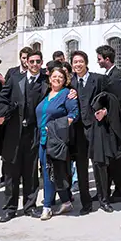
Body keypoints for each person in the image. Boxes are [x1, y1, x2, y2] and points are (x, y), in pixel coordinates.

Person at [0, 49, 46, 222]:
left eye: (38, 61)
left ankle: (30, 206)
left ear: (41, 63)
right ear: (26, 62)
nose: (35, 64)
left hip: (34, 133)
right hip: (14, 133)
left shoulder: (46, 81)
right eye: (32, 61)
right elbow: (2, 98)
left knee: (30, 172)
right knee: (12, 173)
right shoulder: (15, 80)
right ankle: (10, 208)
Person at [92, 45, 121, 212]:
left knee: (115, 157)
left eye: (99, 58)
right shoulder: (108, 75)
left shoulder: (116, 76)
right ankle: (106, 190)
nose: (98, 61)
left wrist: (108, 110)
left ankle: (120, 191)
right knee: (112, 156)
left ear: (107, 59)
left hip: (113, 122)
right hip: (107, 122)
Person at [36, 65, 78, 220]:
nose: (57, 79)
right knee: (51, 172)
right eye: (54, 76)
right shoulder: (47, 93)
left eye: (60, 77)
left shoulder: (67, 94)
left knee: (49, 173)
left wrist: (55, 128)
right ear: (49, 78)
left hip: (55, 140)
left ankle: (46, 207)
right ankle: (66, 201)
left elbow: (74, 114)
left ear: (65, 80)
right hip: (42, 140)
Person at [69, 50, 101, 213]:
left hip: (95, 129)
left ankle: (103, 198)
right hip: (78, 131)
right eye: (75, 62)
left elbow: (108, 98)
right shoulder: (70, 82)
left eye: (80, 61)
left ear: (86, 63)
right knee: (81, 168)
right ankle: (86, 203)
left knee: (99, 165)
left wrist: (104, 112)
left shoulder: (98, 79)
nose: (78, 64)